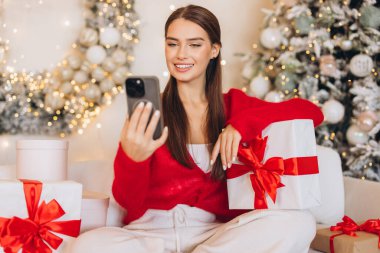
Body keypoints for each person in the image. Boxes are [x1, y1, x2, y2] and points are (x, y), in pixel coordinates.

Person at [68, 4, 324, 253]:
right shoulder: (149, 113)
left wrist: (241, 125)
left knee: (300, 222)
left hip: (216, 235)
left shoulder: (234, 105)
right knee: (88, 245)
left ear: (214, 50)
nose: (181, 54)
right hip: (150, 234)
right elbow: (129, 204)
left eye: (194, 44)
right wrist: (132, 159)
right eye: (173, 43)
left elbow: (312, 112)